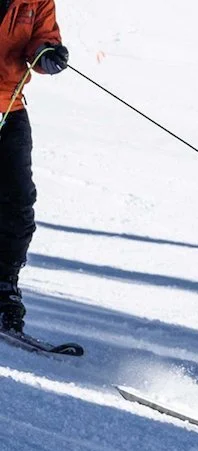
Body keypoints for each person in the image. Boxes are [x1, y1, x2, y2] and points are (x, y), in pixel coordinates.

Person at [0, 0, 70, 332]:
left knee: (18, 203)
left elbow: (42, 38)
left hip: (9, 105)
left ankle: (3, 289)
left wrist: (47, 53)